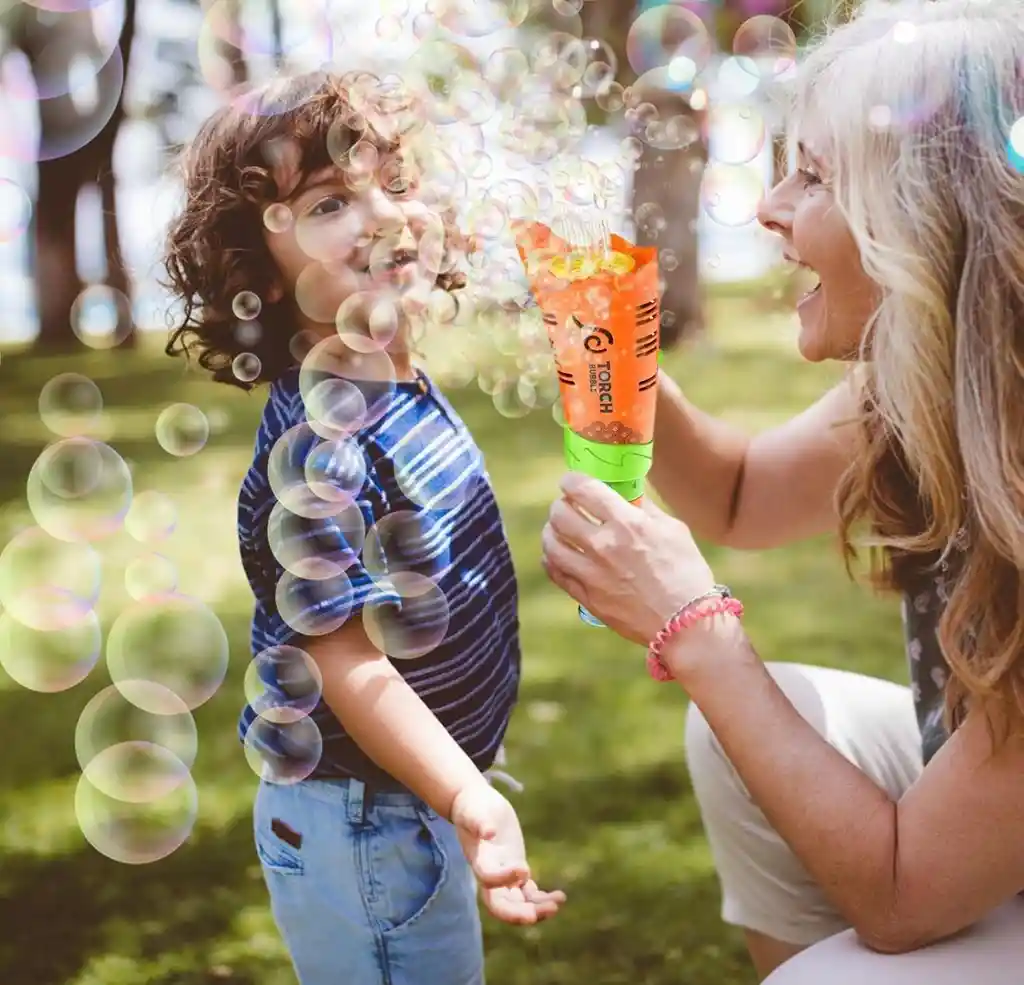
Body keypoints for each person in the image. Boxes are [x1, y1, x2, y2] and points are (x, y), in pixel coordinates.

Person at [541, 0, 1024, 981]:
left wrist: (695, 628)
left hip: (944, 865)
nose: (768, 209)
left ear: (927, 223)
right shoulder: (923, 387)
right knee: (768, 726)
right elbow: (737, 497)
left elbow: (899, 899)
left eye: (813, 176)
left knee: (836, 969)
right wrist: (622, 364)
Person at [162, 71, 564, 985]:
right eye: (332, 199)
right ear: (256, 267)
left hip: (406, 793)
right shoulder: (318, 445)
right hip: (361, 815)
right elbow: (346, 660)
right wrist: (467, 794)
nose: (382, 213)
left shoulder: (396, 381)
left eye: (397, 181)